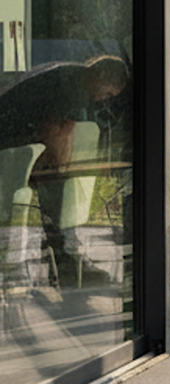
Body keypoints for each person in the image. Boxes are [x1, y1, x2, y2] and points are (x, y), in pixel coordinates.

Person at [0, 55, 129, 284]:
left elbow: (65, 129)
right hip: (7, 144)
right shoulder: (74, 85)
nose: (102, 99)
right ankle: (65, 260)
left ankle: (61, 256)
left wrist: (65, 166)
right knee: (58, 187)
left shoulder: (73, 77)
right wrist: (63, 171)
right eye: (107, 93)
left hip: (14, 141)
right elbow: (53, 131)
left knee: (56, 181)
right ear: (100, 75)